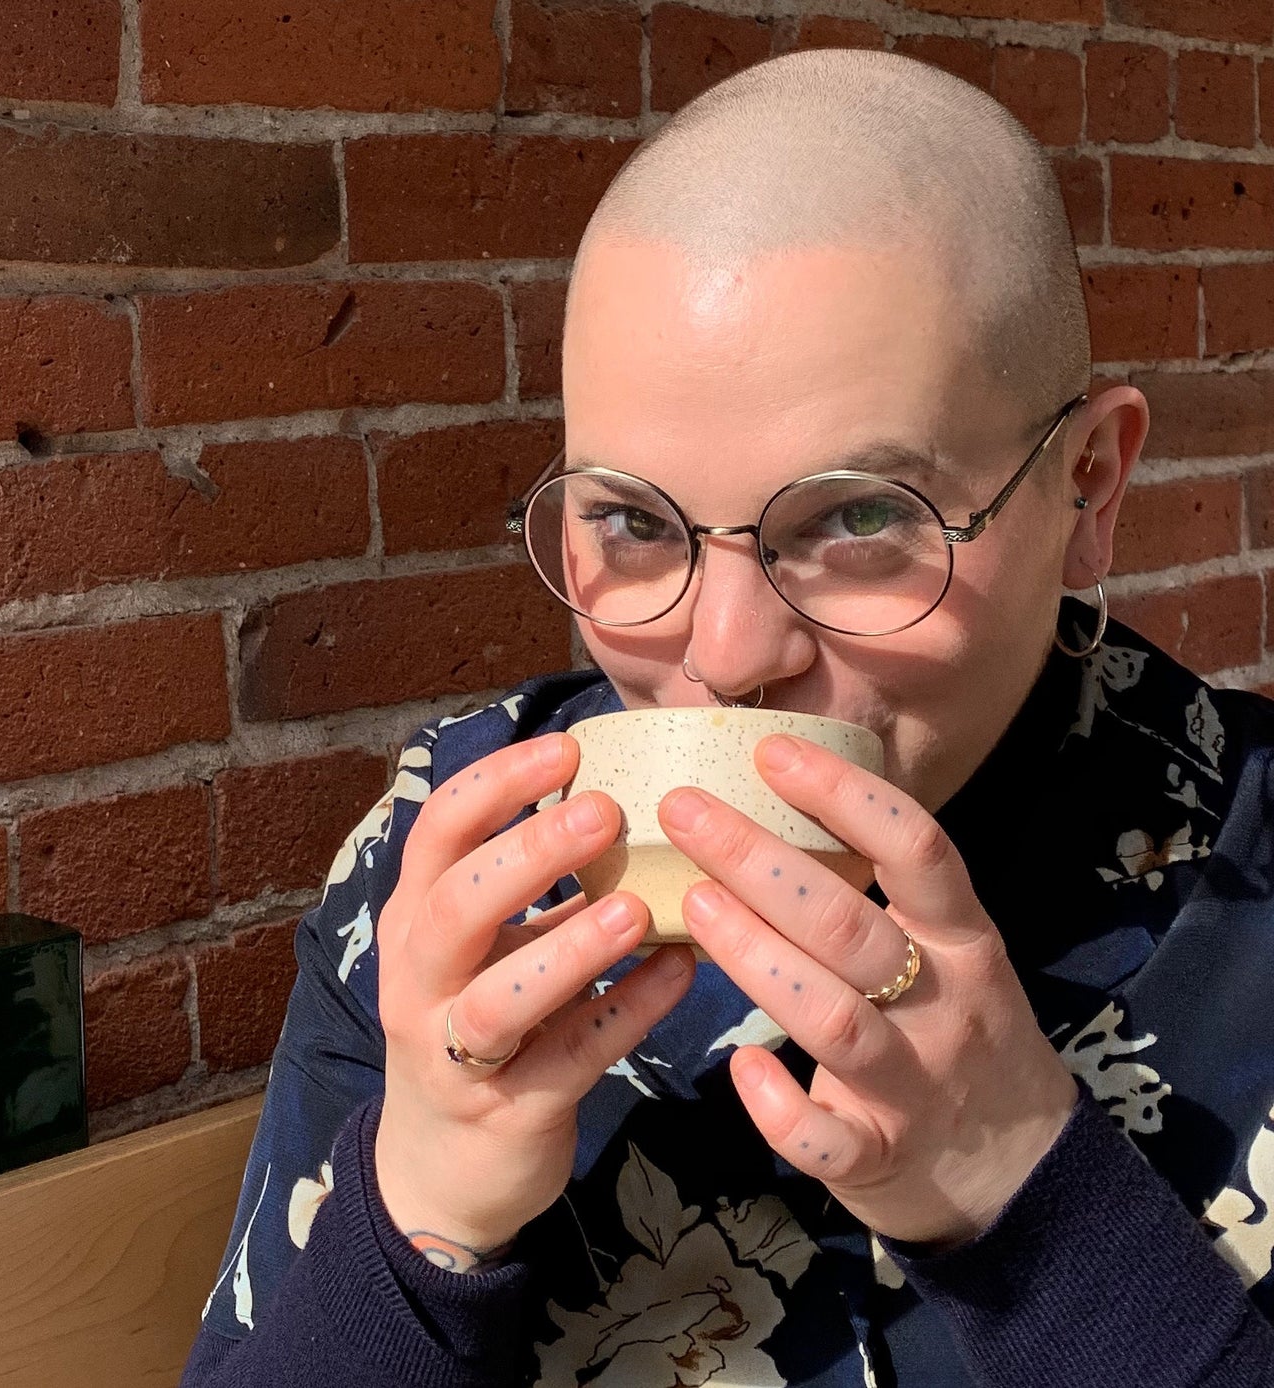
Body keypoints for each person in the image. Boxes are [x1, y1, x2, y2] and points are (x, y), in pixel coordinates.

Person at [179, 48, 1274, 1388]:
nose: (725, 652)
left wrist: (1023, 1199)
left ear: (1088, 486)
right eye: (633, 523)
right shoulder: (448, 864)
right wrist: (418, 1226)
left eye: (863, 517)